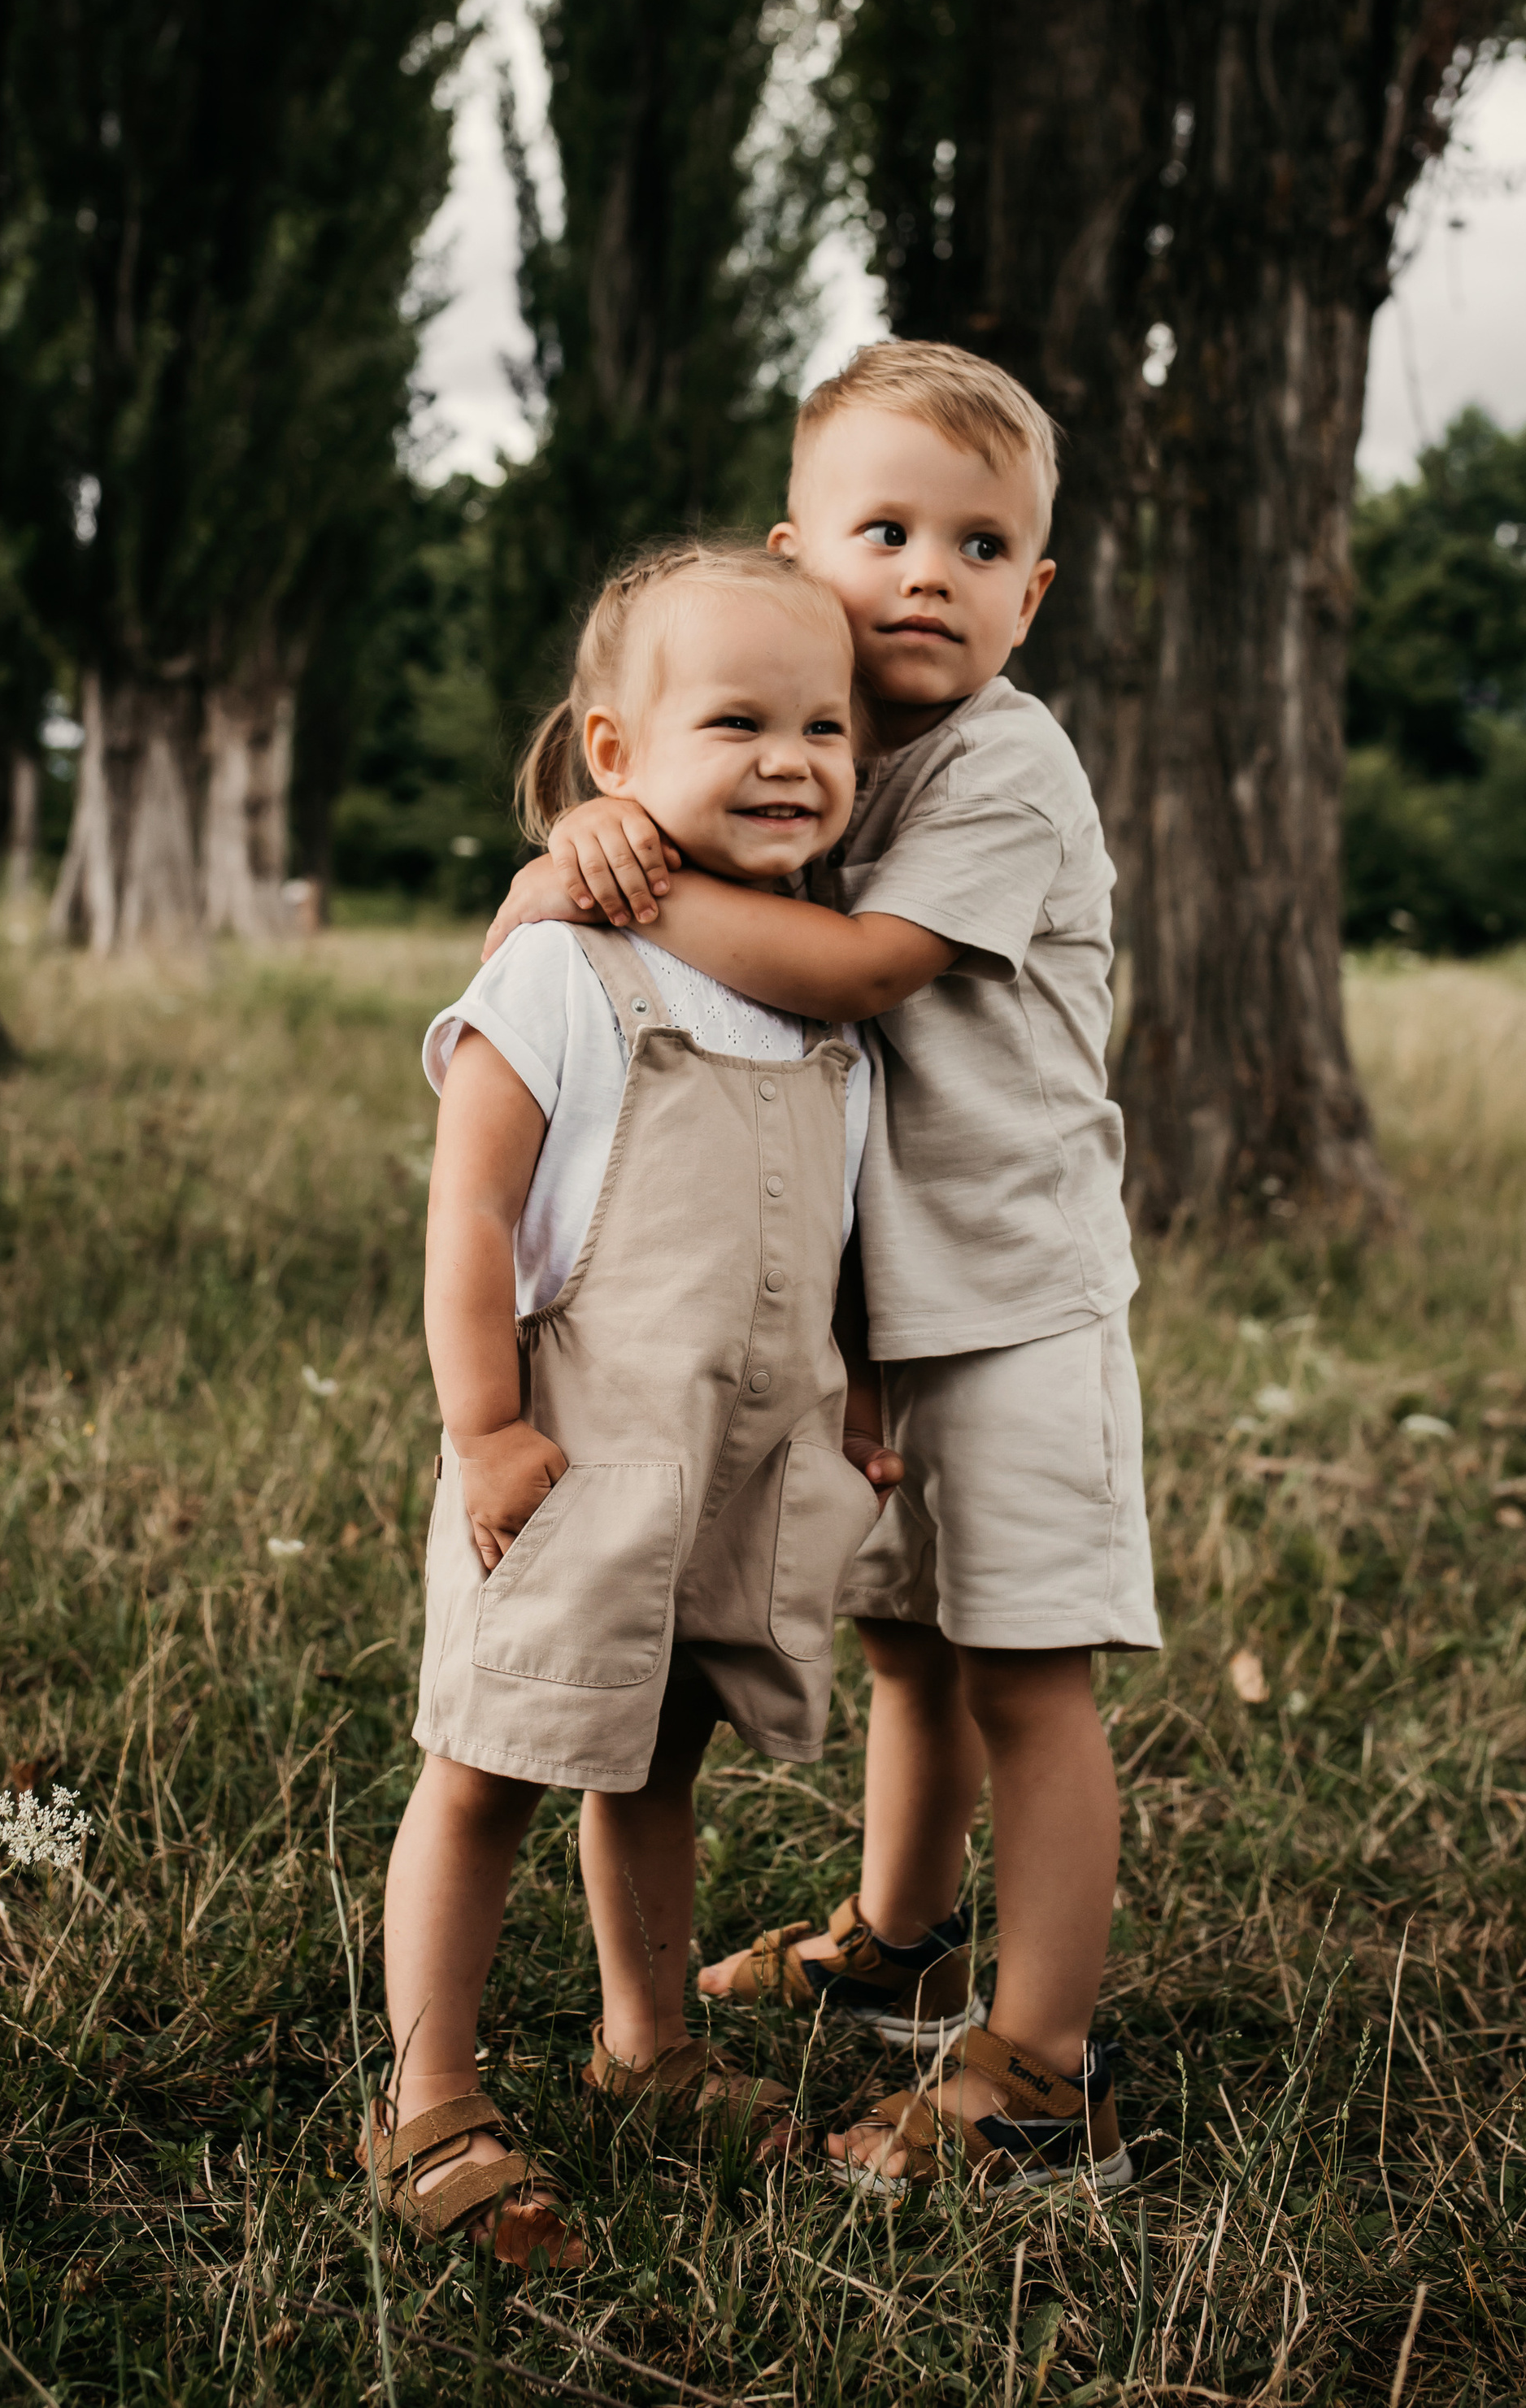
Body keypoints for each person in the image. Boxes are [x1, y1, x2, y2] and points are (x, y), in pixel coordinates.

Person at [488, 342, 1159, 2202]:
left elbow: (861, 970)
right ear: (802, 557)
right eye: (882, 529)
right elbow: (672, 809)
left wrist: (609, 887)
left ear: (1033, 591)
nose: (925, 572)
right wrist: (595, 826)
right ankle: (896, 1941)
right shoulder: (802, 748)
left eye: (978, 542)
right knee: (903, 1648)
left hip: (1013, 1301)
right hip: (867, 1315)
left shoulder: (1003, 765)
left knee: (1025, 1672)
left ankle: (1033, 2072)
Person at [373, 540, 893, 2269]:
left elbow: (831, 1237)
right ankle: (428, 2091)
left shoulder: (817, 1000)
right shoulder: (569, 968)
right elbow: (467, 1205)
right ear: (611, 753)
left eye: (821, 725)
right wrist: (481, 1425)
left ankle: (642, 2042)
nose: (786, 759)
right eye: (733, 719)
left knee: (653, 1757)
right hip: (576, 1453)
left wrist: (862, 1391)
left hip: (734, 1454)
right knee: (490, 1763)